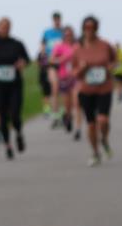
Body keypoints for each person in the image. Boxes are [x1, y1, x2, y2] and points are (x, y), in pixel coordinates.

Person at [72, 16, 117, 166]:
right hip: (86, 90)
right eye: (86, 27)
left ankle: (104, 139)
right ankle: (95, 152)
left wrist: (111, 67)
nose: (89, 30)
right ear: (83, 29)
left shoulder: (105, 45)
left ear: (97, 28)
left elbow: (115, 61)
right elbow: (74, 73)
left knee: (103, 120)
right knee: (91, 124)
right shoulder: (77, 49)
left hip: (104, 88)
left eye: (92, 27)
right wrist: (82, 68)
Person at [0, 18, 30, 160]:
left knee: (15, 114)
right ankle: (7, 145)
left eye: (7, 26)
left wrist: (22, 63)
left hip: (15, 85)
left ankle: (18, 133)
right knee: (2, 116)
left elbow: (26, 59)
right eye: (2, 26)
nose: (4, 29)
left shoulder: (17, 44)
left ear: (10, 28)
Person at [50, 26, 78, 135]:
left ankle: (76, 123)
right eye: (66, 35)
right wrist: (61, 59)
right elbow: (52, 60)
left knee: (76, 99)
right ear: (63, 36)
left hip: (76, 76)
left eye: (70, 34)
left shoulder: (77, 45)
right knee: (67, 102)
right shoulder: (59, 46)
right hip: (64, 76)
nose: (68, 36)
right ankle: (67, 116)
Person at [40, 12, 65, 126]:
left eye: (58, 19)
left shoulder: (64, 32)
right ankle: (56, 115)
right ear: (53, 20)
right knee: (54, 88)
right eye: (55, 19)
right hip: (52, 63)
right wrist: (43, 57)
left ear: (60, 19)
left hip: (64, 63)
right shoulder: (47, 32)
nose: (57, 21)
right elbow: (43, 47)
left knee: (63, 90)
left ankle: (64, 112)